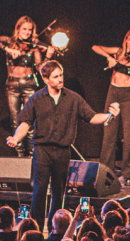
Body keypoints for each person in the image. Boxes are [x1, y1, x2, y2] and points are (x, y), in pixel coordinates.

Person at [6, 60, 119, 224]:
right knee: (39, 192)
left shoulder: (73, 98)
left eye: (61, 75)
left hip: (62, 152)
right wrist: (16, 139)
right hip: (42, 151)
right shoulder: (37, 99)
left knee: (59, 194)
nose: (60, 79)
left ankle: (55, 228)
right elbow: (25, 122)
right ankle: (36, 228)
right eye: (56, 76)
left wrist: (109, 115)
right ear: (46, 79)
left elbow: (92, 117)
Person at [0, 17, 56, 157]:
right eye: (24, 29)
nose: (27, 32)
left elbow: (40, 68)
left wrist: (48, 57)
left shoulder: (34, 45)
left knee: (30, 122)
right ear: (18, 28)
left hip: (29, 85)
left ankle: (32, 157)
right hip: (12, 85)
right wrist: (6, 48)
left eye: (30, 30)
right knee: (15, 122)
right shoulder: (10, 42)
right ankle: (19, 157)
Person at [92, 28, 130, 185]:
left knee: (129, 136)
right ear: (126, 39)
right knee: (109, 133)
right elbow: (95, 47)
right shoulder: (118, 51)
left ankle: (129, 173)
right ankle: (106, 172)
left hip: (129, 96)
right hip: (113, 93)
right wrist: (110, 58)